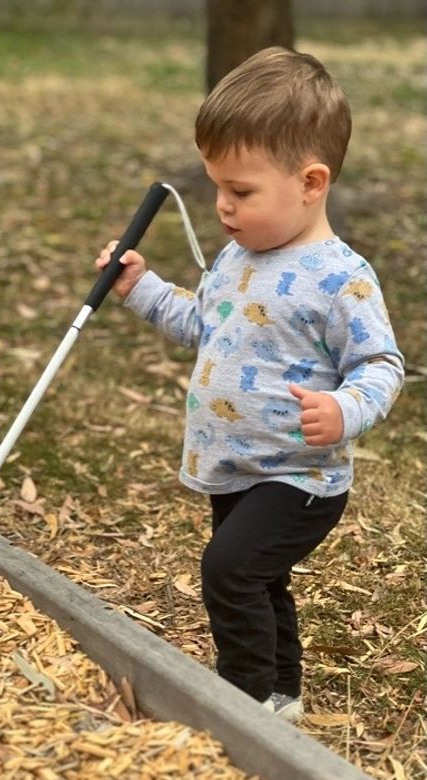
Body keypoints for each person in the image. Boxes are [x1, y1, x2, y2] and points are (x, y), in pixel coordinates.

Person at [95, 46, 404, 722]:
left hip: (299, 476)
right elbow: (203, 326)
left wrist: (345, 409)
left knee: (229, 571)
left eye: (242, 191)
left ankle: (241, 702)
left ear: (311, 183)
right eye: (216, 188)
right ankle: (281, 696)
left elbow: (381, 366)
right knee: (261, 581)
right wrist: (139, 287)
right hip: (236, 463)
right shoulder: (238, 258)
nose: (223, 208)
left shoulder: (339, 278)